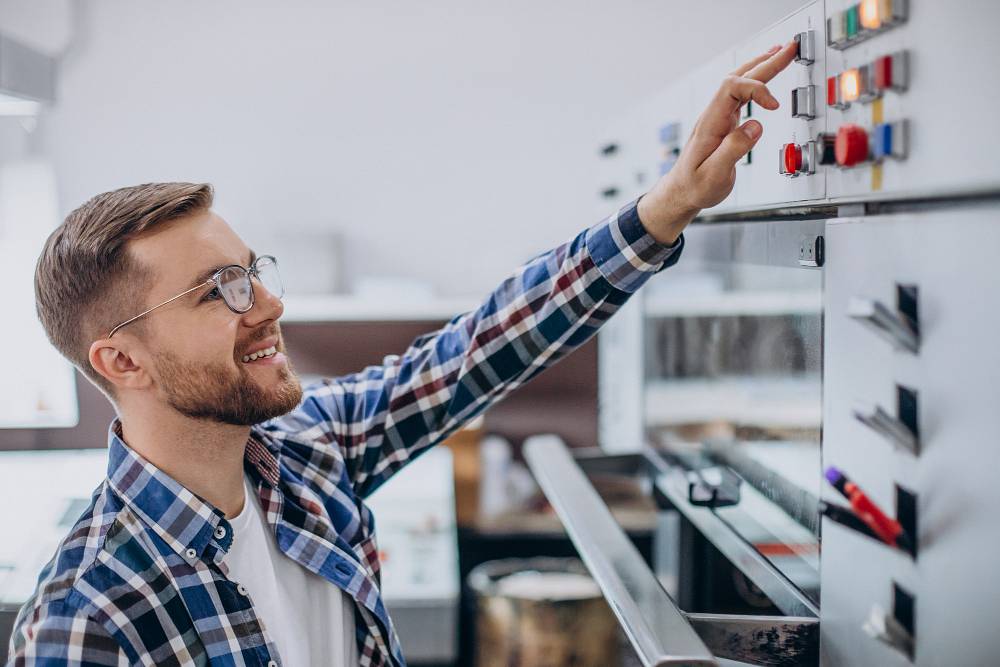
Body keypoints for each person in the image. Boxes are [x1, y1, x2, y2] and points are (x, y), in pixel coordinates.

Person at [7, 42, 797, 667]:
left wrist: (662, 211)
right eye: (222, 290)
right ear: (122, 362)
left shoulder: (308, 456)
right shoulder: (86, 618)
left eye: (254, 272)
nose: (270, 303)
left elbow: (478, 351)